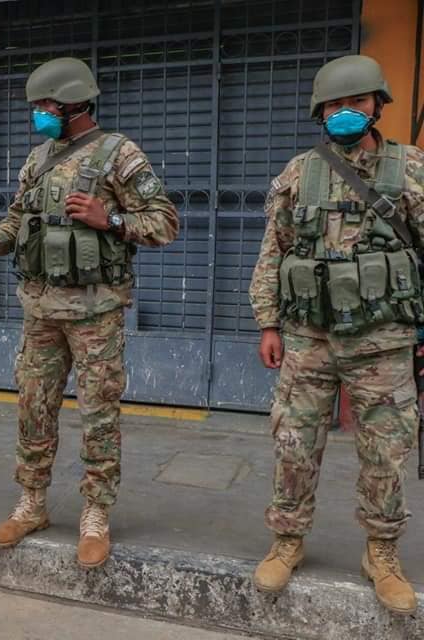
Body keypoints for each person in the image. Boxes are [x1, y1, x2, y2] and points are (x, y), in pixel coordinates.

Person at [0, 57, 179, 568]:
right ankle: (32, 502)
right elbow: (17, 219)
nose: (38, 114)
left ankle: (96, 514)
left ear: (75, 103)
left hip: (96, 310)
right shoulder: (37, 159)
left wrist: (111, 218)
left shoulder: (120, 155)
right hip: (40, 308)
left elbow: (165, 222)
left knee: (98, 413)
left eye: (45, 106)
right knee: (34, 406)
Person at [248, 54, 424, 615]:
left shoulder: (412, 169)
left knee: (386, 452)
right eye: (333, 105)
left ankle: (382, 552)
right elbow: (272, 251)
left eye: (355, 103)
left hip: (384, 339)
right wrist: (269, 323)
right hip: (308, 337)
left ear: (377, 106)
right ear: (319, 111)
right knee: (294, 443)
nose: (344, 112)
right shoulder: (300, 172)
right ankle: (287, 540)